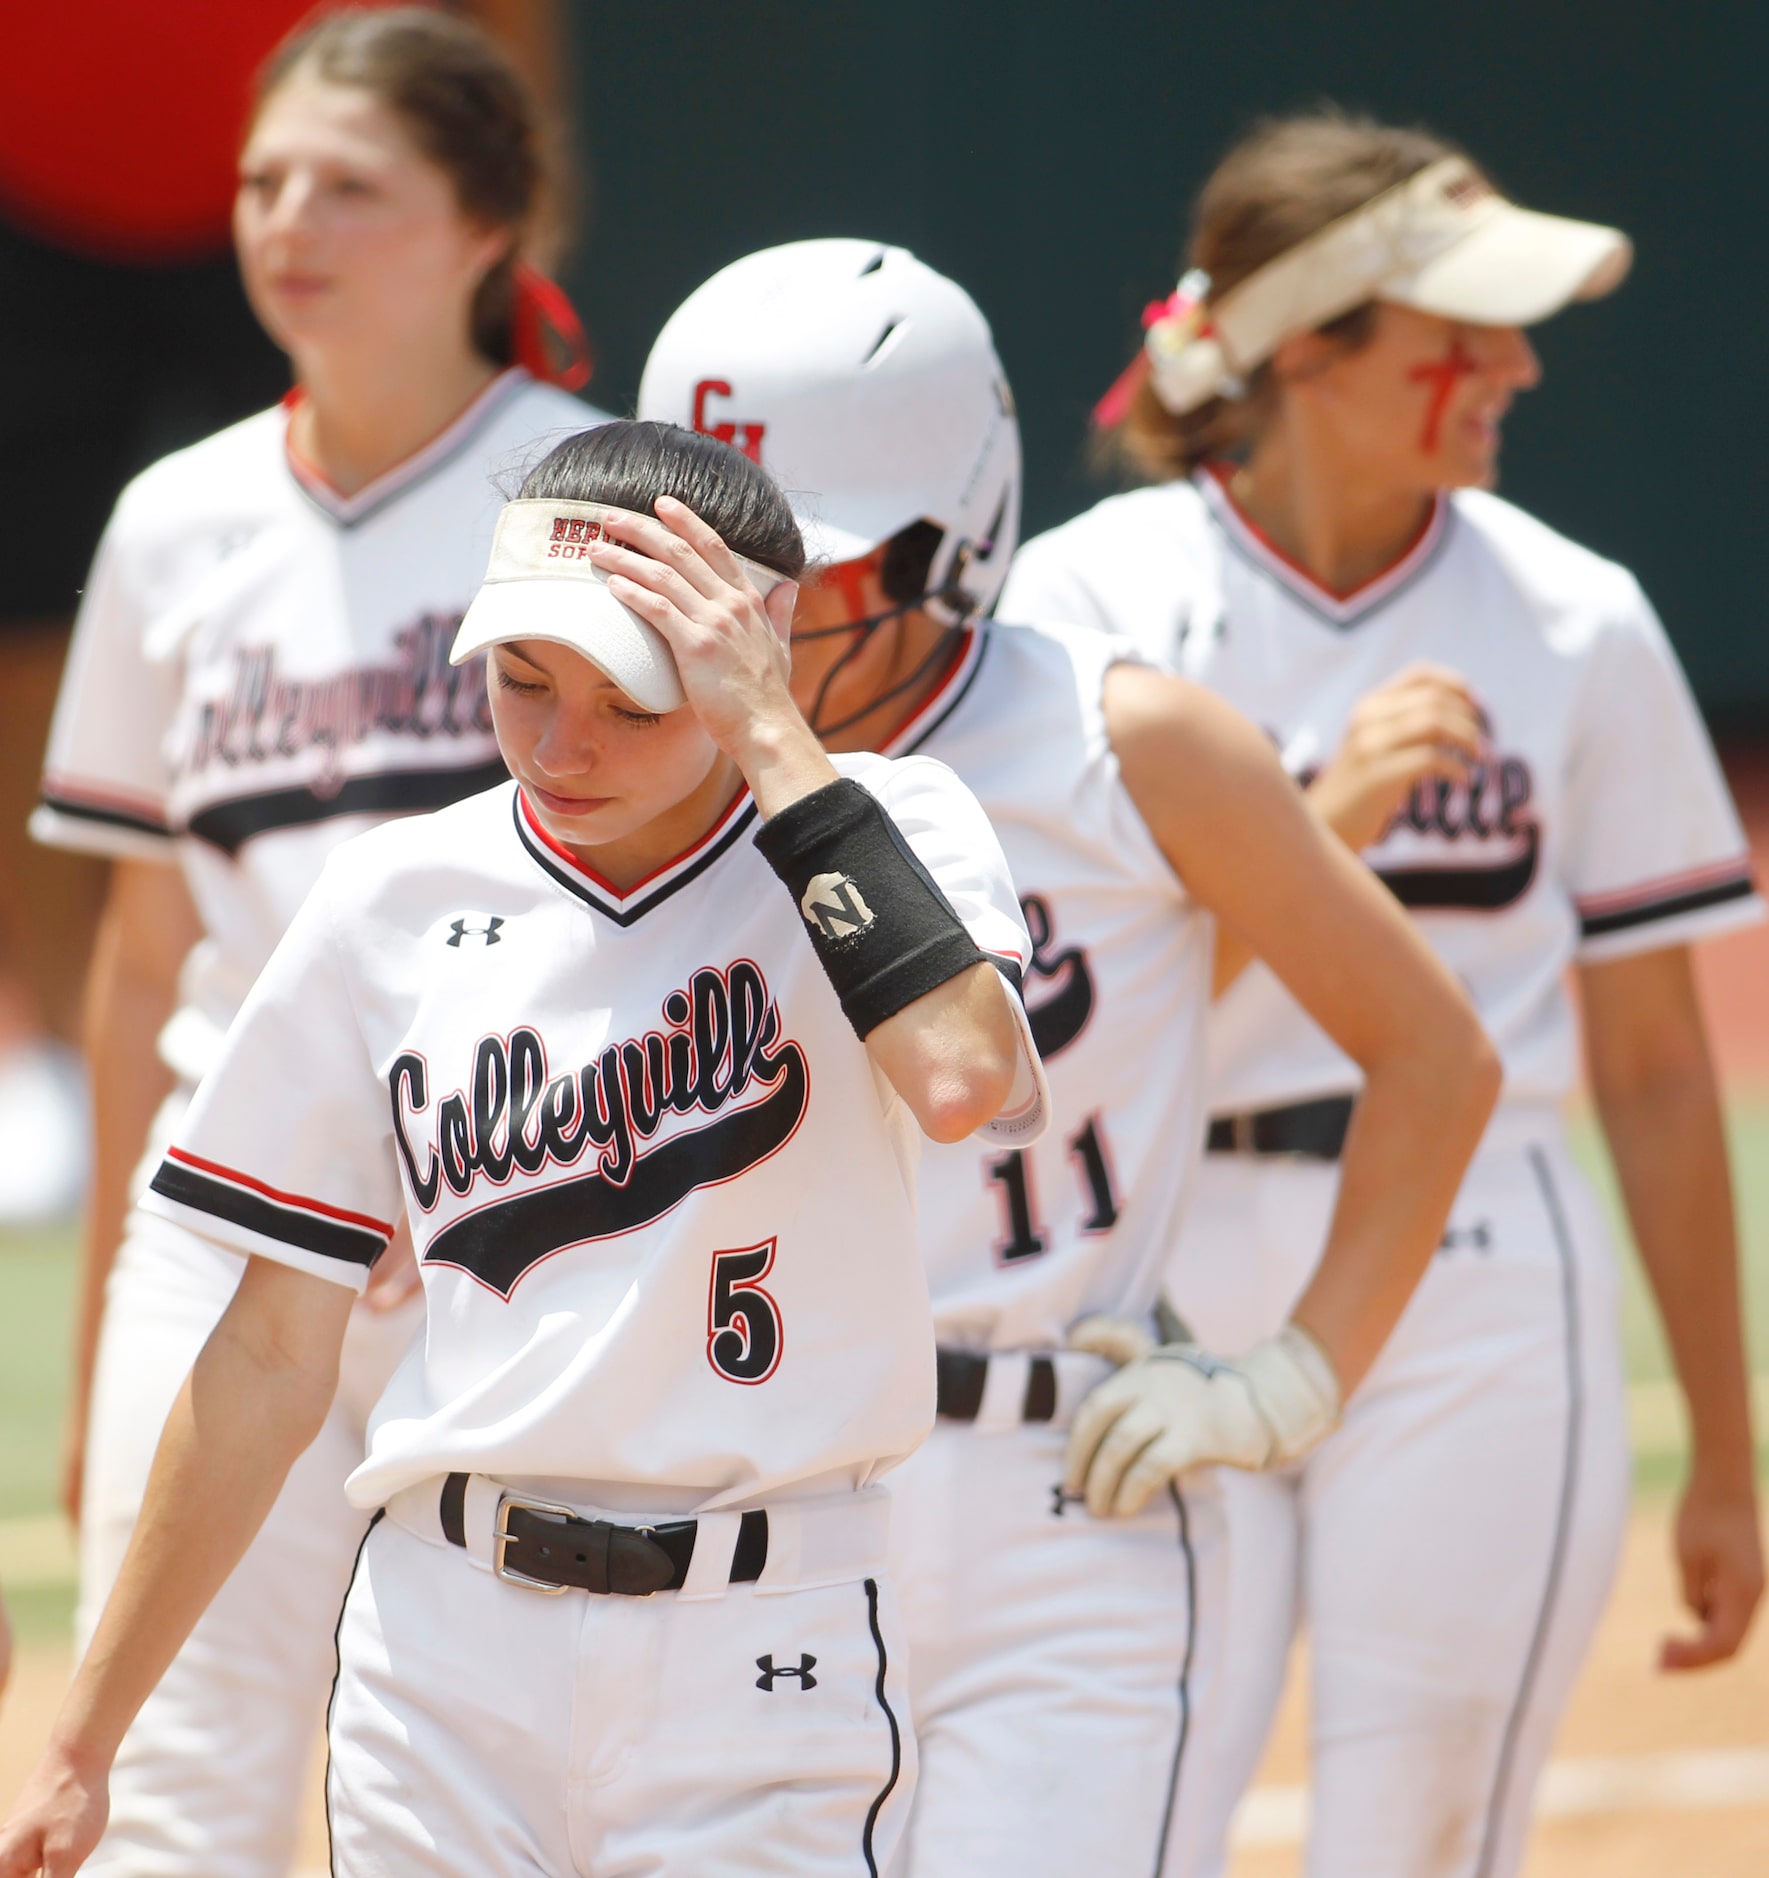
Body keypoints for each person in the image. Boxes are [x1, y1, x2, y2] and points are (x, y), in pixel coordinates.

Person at [1, 417, 1048, 1877]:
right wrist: (80, 1739)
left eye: (629, 693)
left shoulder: (880, 828)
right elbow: (266, 1357)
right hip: (445, 1650)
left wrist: (772, 731)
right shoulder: (394, 899)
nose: (563, 743)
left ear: (748, 654)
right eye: (521, 679)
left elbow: (956, 1077)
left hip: (763, 1641)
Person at [639, 238, 1500, 1878]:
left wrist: (1292, 1374)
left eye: (796, 563)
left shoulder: (1126, 741)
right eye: (702, 555)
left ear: (949, 540)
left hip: (1062, 1498)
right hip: (758, 1493)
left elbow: (1433, 1054)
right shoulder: (634, 766)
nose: (743, 611)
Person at [1003, 110, 1765, 1878]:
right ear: (1304, 351)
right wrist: (1315, 824)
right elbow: (1046, 1020)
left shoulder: (1577, 622)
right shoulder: (1087, 607)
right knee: (1104, 1828)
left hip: (1479, 1275)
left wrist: (1724, 1453)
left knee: (1416, 1846)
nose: (1511, 365)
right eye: (1457, 335)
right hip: (1156, 1267)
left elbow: (1655, 1076)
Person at [29, 10, 601, 1871]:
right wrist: (116, 1319)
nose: (289, 220)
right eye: (266, 182)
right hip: (225, 1229)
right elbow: (144, 950)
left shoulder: (596, 496)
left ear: (489, 221)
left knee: (493, 1799)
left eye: (352, 185)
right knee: (164, 1799)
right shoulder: (176, 521)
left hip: (530, 1230)